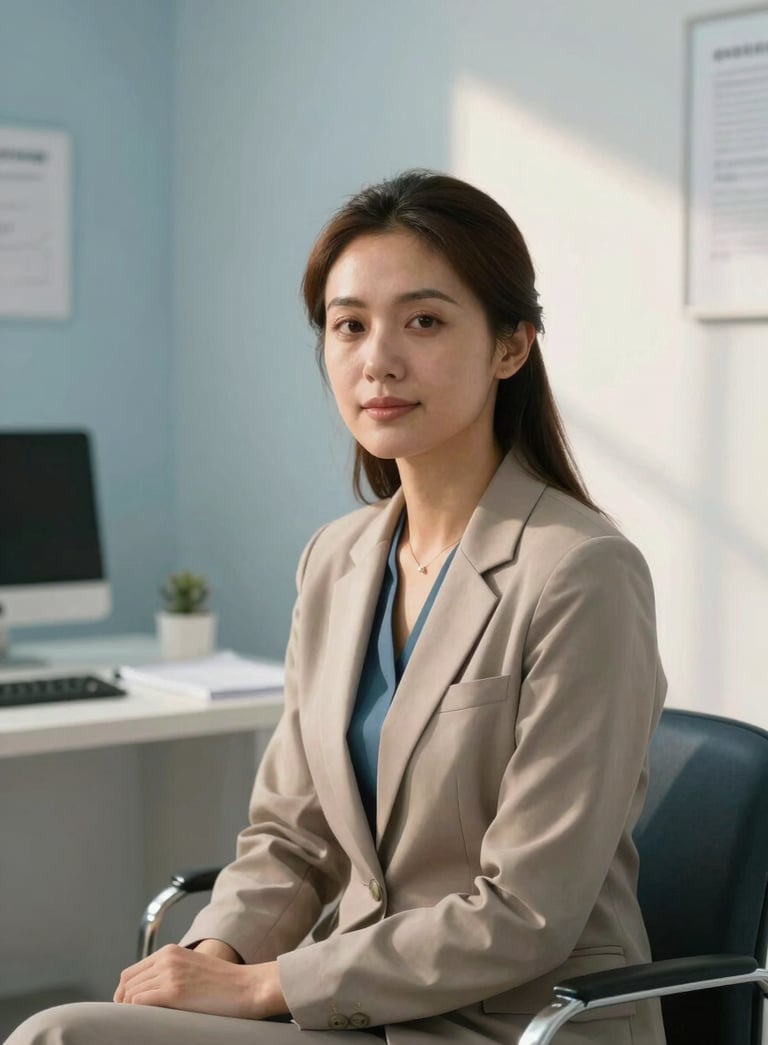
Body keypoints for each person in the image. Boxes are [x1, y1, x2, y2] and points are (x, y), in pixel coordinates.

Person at [6, 170, 667, 1045]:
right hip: (353, 1012)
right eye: (349, 324)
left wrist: (261, 987)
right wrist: (213, 953)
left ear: (512, 346)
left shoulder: (582, 573)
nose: (378, 359)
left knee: (59, 1037)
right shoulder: (338, 559)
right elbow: (292, 834)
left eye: (424, 321)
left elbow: (528, 911)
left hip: (514, 1024)